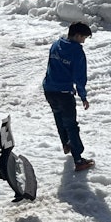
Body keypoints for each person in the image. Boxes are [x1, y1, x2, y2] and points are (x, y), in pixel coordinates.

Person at [42, 21, 95, 171]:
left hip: (49, 89)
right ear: (78, 35)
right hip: (64, 93)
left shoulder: (56, 44)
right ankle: (78, 160)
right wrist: (83, 96)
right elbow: (80, 77)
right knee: (71, 125)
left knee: (59, 119)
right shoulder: (77, 51)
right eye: (84, 38)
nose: (84, 41)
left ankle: (66, 144)